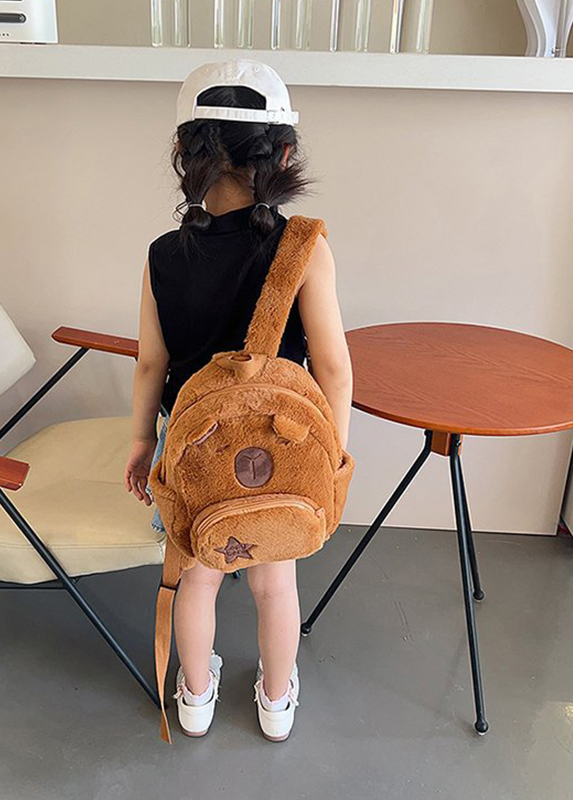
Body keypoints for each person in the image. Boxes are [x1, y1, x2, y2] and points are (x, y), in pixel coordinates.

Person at [123, 60, 352, 742]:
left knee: (194, 576)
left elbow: (151, 363)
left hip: (191, 446)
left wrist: (142, 442)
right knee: (274, 583)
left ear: (183, 152)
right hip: (278, 446)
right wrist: (331, 460)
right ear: (283, 154)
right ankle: (277, 704)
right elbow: (334, 369)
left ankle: (194, 699)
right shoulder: (304, 248)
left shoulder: (163, 255)